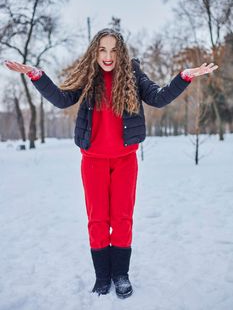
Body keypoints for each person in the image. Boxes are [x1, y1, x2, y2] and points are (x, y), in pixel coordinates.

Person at [4, 28, 218, 299]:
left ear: (122, 52)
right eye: (102, 49)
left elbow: (158, 97)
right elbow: (61, 99)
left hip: (125, 160)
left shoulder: (133, 74)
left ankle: (121, 274)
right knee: (97, 220)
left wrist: (184, 77)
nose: (108, 56)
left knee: (122, 219)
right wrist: (36, 75)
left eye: (114, 50)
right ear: (96, 51)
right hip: (92, 161)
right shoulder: (89, 76)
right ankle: (102, 276)